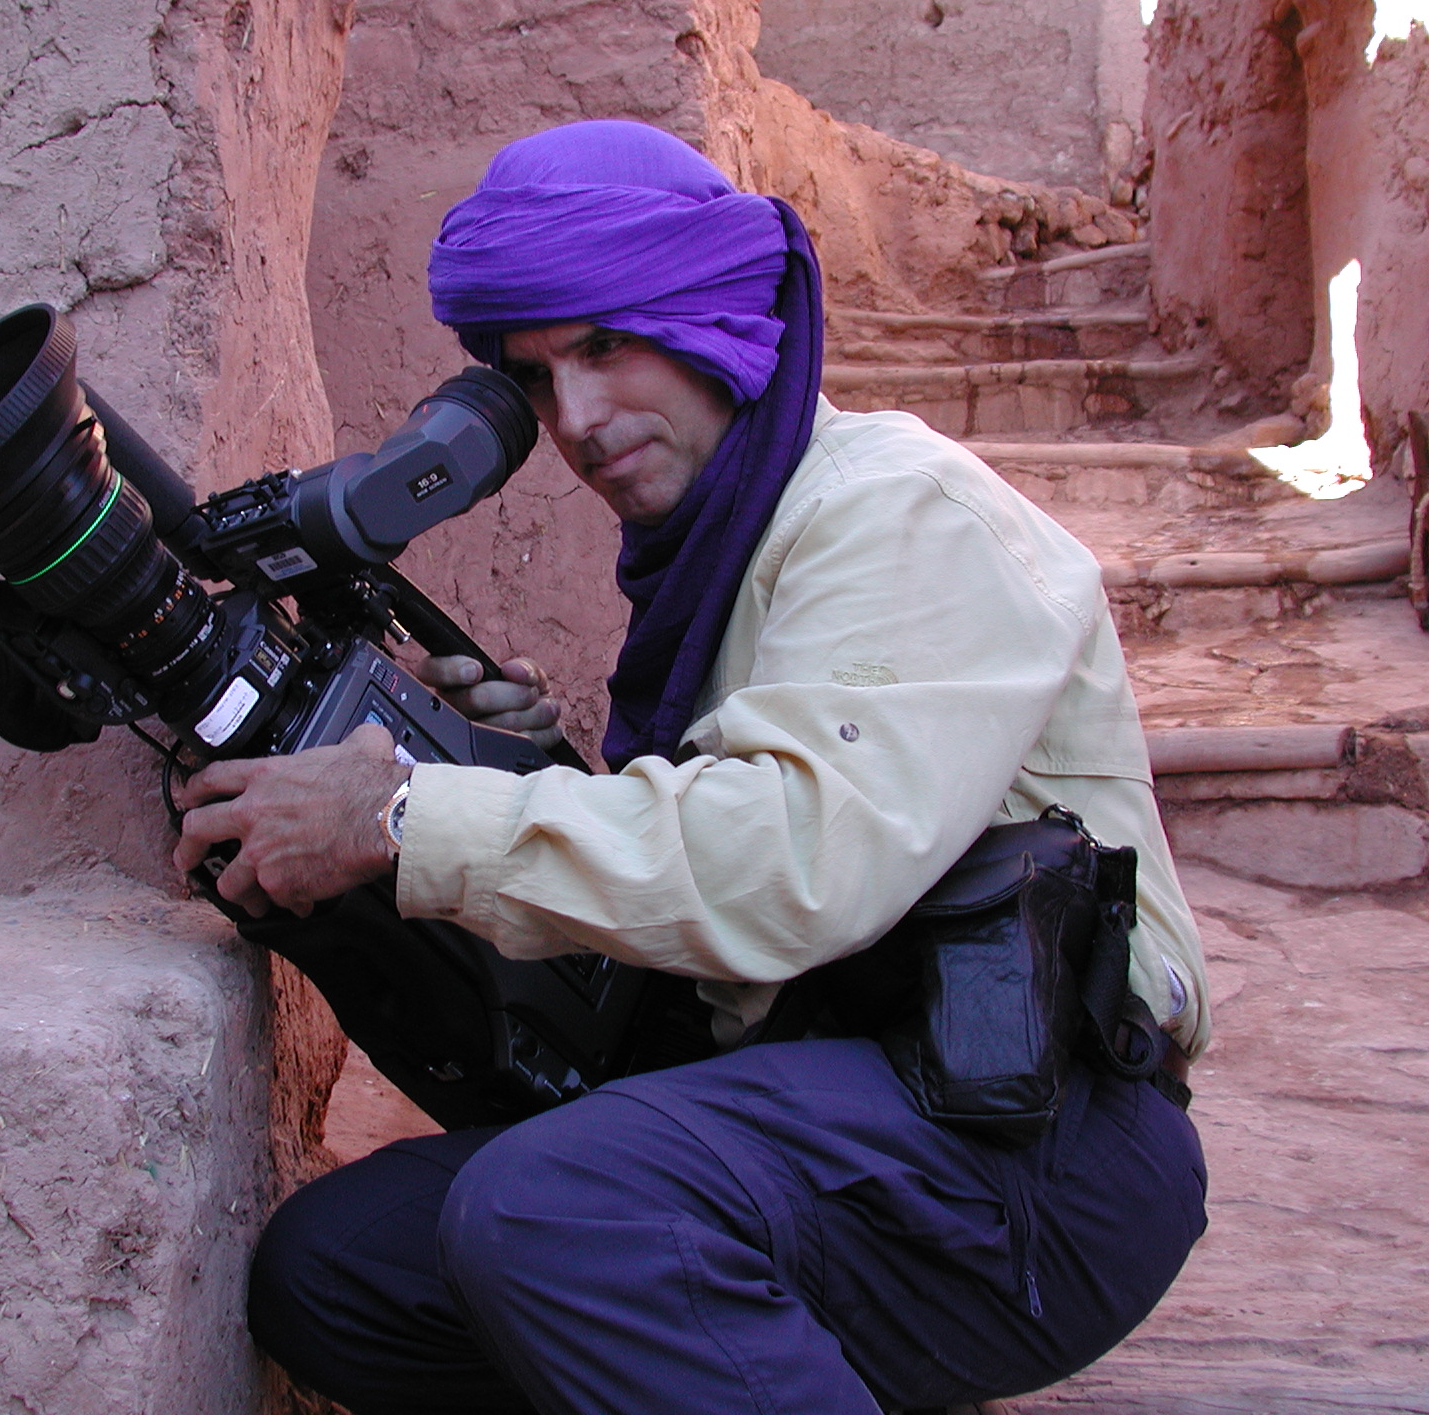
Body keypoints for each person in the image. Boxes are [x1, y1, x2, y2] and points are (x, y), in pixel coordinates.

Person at [171, 120, 1211, 1415]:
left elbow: (797, 859)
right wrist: (517, 760)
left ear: (716, 314)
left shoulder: (900, 510)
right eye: (537, 380)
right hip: (837, 1092)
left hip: (1035, 1147)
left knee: (549, 1213)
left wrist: (403, 814)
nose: (579, 420)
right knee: (340, 1273)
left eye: (605, 345)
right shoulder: (728, 559)